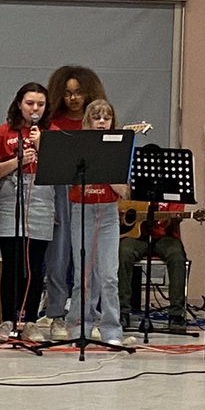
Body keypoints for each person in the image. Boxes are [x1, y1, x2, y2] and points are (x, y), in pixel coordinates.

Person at [39, 65, 109, 339]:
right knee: (57, 258)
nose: (73, 99)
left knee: (90, 263)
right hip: (60, 194)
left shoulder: (97, 123)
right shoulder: (52, 124)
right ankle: (55, 313)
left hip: (90, 198)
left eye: (79, 93)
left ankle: (90, 315)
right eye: (67, 94)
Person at [0, 82, 53, 342]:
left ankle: (30, 321)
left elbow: (60, 171)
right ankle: (7, 319)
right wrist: (16, 162)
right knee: (12, 263)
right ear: (19, 104)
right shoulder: (4, 131)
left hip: (41, 197)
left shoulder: (51, 132)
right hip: (11, 196)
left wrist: (42, 147)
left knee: (35, 266)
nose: (35, 109)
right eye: (30, 104)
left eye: (40, 104)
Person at [64, 99, 130, 346]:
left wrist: (105, 168)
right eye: (96, 117)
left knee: (109, 276)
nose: (102, 121)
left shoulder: (119, 150)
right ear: (87, 121)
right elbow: (67, 179)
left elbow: (124, 190)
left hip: (108, 213)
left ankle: (112, 330)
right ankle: (80, 326)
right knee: (84, 274)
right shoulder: (77, 148)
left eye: (107, 117)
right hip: (82, 210)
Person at [118, 200, 189, 334]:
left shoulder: (173, 188)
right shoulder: (137, 186)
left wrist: (174, 220)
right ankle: (122, 311)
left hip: (165, 238)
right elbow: (122, 203)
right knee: (124, 253)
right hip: (136, 237)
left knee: (177, 256)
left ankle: (176, 314)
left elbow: (175, 217)